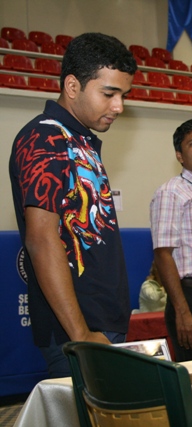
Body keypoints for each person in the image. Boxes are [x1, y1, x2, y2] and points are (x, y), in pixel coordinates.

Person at [9, 33, 137, 377]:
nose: (118, 107)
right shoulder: (46, 137)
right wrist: (80, 334)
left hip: (99, 323)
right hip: (77, 331)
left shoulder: (79, 140)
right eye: (108, 93)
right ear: (72, 86)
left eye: (123, 95)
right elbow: (41, 239)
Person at [150, 117, 192, 361]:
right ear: (179, 155)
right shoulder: (171, 192)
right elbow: (162, 254)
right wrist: (182, 311)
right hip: (191, 296)